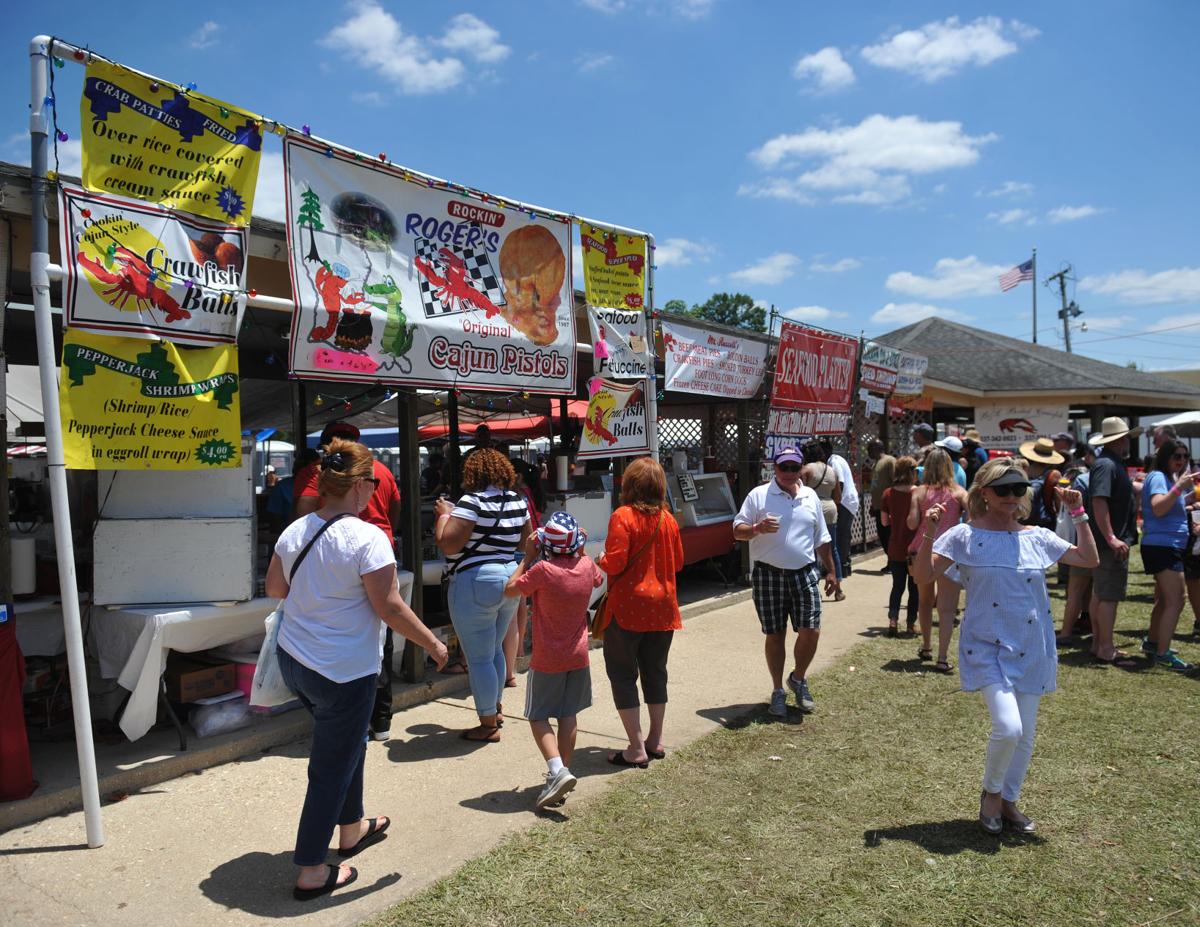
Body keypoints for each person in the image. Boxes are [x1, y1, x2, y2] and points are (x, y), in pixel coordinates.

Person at [265, 439, 449, 900]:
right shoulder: (369, 537)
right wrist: (431, 642)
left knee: (347, 746)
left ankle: (352, 828)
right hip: (343, 671)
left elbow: (274, 588)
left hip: (296, 661)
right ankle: (310, 867)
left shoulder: (295, 531)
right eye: (374, 483)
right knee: (331, 764)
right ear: (363, 486)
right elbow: (389, 606)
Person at [913, 457, 1098, 835]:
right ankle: (991, 794)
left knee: (1026, 735)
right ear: (984, 493)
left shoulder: (1037, 537)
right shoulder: (964, 536)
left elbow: (1088, 558)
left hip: (1033, 645)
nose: (1013, 497)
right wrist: (930, 531)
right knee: (1009, 728)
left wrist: (1078, 512)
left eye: (1019, 489)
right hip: (986, 645)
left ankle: (1010, 801)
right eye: (1004, 490)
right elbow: (924, 575)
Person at [295, 421, 403, 740]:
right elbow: (396, 507)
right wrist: (385, 531)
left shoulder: (320, 472)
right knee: (379, 632)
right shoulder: (381, 469)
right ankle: (380, 719)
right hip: (380, 552)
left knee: (340, 630)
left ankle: (343, 719)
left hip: (337, 557)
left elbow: (301, 514)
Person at [504, 512, 603, 809]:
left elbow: (510, 589)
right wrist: (581, 549)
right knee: (568, 713)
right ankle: (563, 775)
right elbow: (597, 575)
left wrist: (526, 557)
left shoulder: (543, 570)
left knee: (537, 716)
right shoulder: (586, 565)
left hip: (548, 657)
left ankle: (558, 771)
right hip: (578, 654)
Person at [733, 447, 840, 718]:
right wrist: (757, 529)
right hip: (768, 574)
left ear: (801, 469)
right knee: (775, 634)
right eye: (784, 468)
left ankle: (799, 678)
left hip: (804, 573)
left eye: (794, 467)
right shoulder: (758, 495)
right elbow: (737, 530)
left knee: (811, 630)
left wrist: (832, 572)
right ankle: (778, 689)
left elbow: (822, 538)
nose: (789, 473)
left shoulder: (810, 496)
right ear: (775, 468)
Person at [435, 449, 531, 742]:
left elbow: (448, 544)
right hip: (509, 577)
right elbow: (527, 543)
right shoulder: (518, 500)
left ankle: (488, 724)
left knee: (478, 658)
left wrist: (443, 516)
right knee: (493, 652)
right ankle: (495, 708)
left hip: (476, 581)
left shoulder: (471, 502)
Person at [596, 457, 684, 767]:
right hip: (663, 609)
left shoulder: (622, 516)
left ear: (629, 485)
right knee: (655, 672)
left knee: (622, 674)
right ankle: (655, 740)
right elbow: (679, 562)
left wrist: (601, 559)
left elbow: (616, 562)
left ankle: (635, 747)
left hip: (628, 608)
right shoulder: (668, 520)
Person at [1083, 417, 1141, 664]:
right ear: (1120, 439)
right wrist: (1111, 537)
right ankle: (1106, 648)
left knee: (1101, 594)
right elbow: (1099, 500)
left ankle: (1100, 644)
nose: (1128, 441)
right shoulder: (1108, 465)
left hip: (1106, 541)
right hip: (1109, 543)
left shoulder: (1107, 463)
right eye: (1126, 437)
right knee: (1109, 596)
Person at [907, 447, 970, 672]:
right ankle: (942, 657)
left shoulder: (919, 493)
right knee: (947, 608)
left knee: (924, 601)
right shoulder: (960, 493)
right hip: (950, 555)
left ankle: (926, 646)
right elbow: (971, 522)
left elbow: (912, 524)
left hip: (922, 550)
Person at [1140, 439, 1196, 670]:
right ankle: (1162, 654)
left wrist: (1186, 499)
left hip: (1166, 545)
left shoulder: (1167, 478)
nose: (1181, 461)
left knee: (1165, 600)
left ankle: (1154, 644)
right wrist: (1179, 488)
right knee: (1177, 600)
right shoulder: (1158, 477)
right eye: (1177, 456)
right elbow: (1159, 507)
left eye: (1185, 456)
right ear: (1165, 457)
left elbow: (1168, 506)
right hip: (1163, 546)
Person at [503, 459, 545, 688]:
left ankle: (516, 651)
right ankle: (520, 648)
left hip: (519, 552)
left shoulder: (514, 496)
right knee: (524, 605)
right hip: (532, 548)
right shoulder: (530, 492)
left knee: (517, 606)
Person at [880, 456, 920, 636]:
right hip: (915, 548)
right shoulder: (918, 492)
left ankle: (893, 622)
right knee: (914, 587)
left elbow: (884, 522)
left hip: (895, 546)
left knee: (897, 586)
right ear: (912, 472)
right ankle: (911, 623)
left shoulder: (888, 493)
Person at [802, 442, 845, 598]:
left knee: (811, 550)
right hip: (830, 509)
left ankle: (814, 589)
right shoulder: (832, 471)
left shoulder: (806, 470)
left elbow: (802, 493)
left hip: (813, 509)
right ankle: (838, 589)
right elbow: (838, 497)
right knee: (832, 549)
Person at [266, 449, 319, 544]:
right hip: (290, 539)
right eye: (299, 463)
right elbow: (275, 519)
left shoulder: (326, 487)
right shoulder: (282, 487)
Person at [824, 440, 860, 577]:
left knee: (841, 536)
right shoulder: (835, 459)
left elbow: (840, 484)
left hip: (845, 502)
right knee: (843, 535)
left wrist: (835, 503)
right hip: (848, 501)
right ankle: (845, 565)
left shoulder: (833, 462)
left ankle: (843, 567)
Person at [1019, 438, 1066, 530]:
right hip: (1045, 522)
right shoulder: (1054, 475)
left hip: (1023, 520)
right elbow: (1058, 503)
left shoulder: (1023, 470)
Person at [867, 440, 896, 556]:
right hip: (878, 506)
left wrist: (892, 505)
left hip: (888, 507)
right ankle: (890, 559)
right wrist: (873, 505)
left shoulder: (889, 461)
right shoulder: (875, 464)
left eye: (870, 449)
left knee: (889, 535)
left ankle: (893, 560)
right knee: (882, 535)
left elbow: (895, 482)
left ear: (876, 448)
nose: (868, 452)